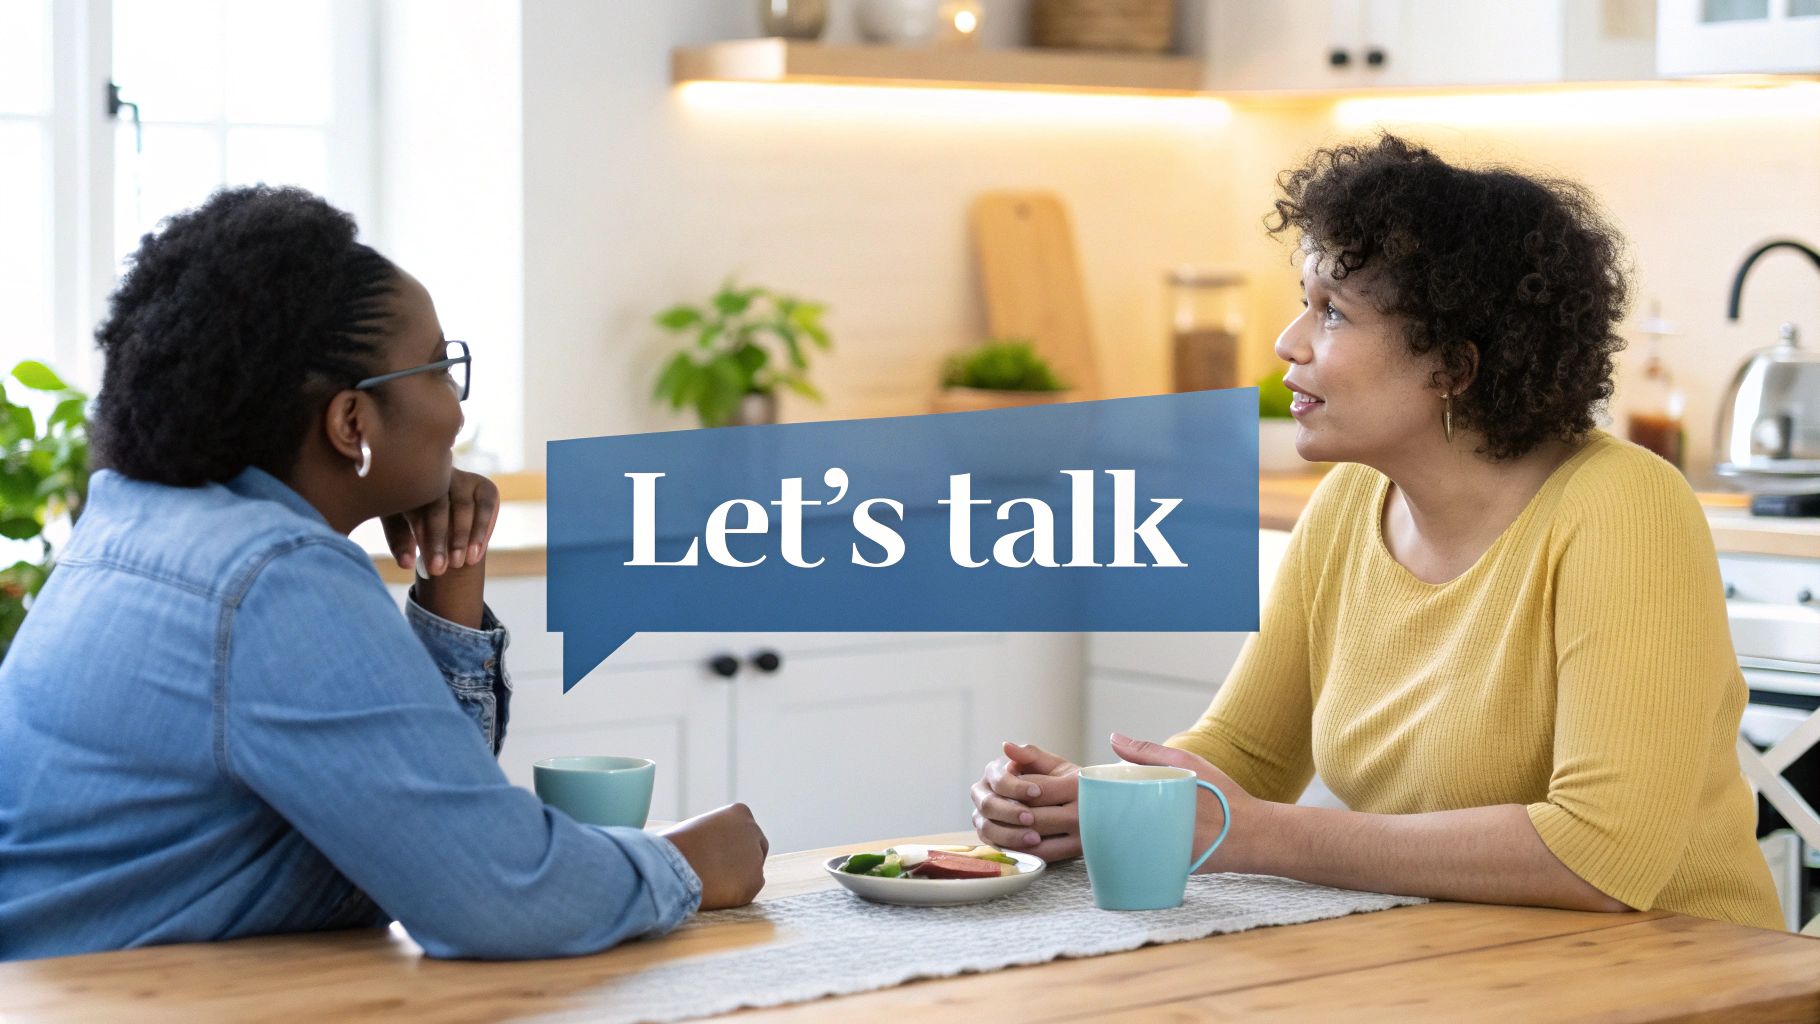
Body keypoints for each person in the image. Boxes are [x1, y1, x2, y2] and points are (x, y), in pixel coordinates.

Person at [970, 134, 1783, 930]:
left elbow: (1601, 854)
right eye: (1304, 304)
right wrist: (1096, 803)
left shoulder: (1621, 508)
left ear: (1454, 367)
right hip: (1456, 967)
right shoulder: (1350, 503)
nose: (1288, 344)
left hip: (1680, 979)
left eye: (1333, 313)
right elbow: (1246, 753)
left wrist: (1260, 834)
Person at [0, 186, 769, 961]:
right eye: (439, 369)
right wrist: (692, 863)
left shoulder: (140, 519)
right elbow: (502, 895)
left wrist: (451, 576)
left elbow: (431, 817)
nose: (459, 413)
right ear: (351, 425)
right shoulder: (274, 579)